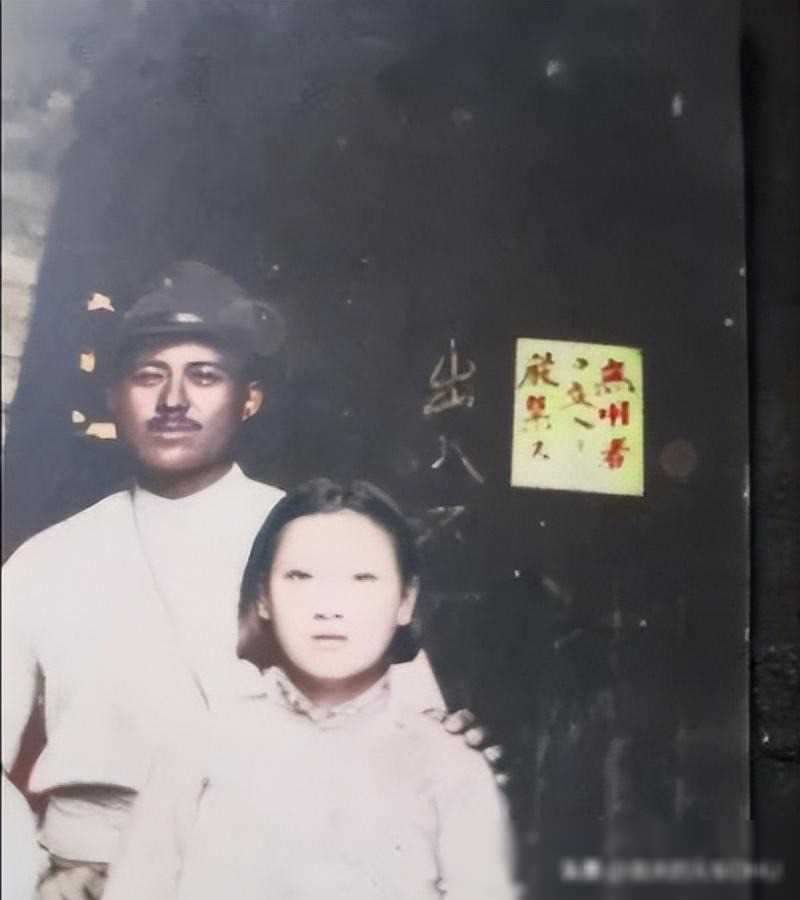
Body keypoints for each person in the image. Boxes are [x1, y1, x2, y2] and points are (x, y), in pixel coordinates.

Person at [2, 261, 491, 900]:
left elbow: (414, 743)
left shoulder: (326, 539)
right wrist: (35, 876)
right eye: (148, 376)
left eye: (205, 376)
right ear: (115, 397)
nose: (173, 400)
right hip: (88, 872)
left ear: (249, 398)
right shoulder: (47, 561)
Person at [103, 478, 519, 900]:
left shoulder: (451, 762)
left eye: (362, 578)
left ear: (405, 600)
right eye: (300, 577)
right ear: (264, 596)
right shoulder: (199, 743)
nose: (329, 607)